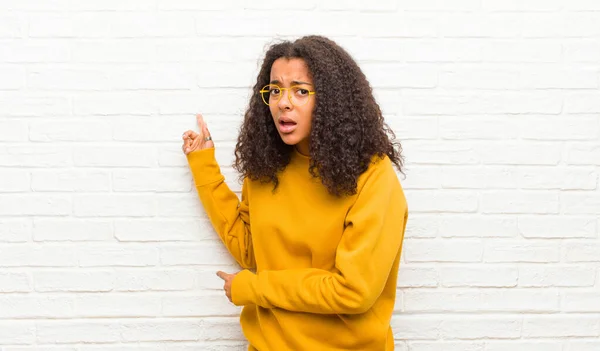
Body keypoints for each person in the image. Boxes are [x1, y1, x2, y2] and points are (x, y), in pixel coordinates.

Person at [182, 35, 408, 351]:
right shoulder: (267, 166)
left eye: (300, 91)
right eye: (275, 90)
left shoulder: (373, 176)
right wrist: (203, 165)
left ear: (331, 100)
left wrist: (255, 287)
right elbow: (252, 250)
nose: (283, 102)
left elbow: (355, 291)